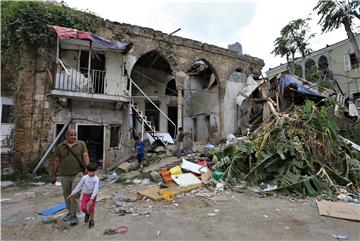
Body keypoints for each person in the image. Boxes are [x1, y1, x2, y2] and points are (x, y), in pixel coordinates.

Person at [51, 127, 89, 225]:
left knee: (75, 194)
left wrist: (88, 167)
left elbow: (85, 155)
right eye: (71, 135)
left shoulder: (81, 144)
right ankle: (70, 212)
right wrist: (54, 174)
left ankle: (74, 215)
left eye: (75, 134)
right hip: (64, 174)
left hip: (78, 173)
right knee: (67, 194)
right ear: (66, 136)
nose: (73, 136)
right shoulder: (60, 146)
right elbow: (56, 160)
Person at [67, 162, 99, 228]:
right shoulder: (84, 178)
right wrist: (72, 194)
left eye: (93, 171)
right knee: (83, 208)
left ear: (96, 171)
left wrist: (92, 199)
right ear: (87, 170)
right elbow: (79, 186)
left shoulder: (96, 179)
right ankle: (87, 214)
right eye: (90, 171)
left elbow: (96, 189)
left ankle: (91, 220)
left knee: (91, 208)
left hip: (92, 196)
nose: (91, 173)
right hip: (85, 195)